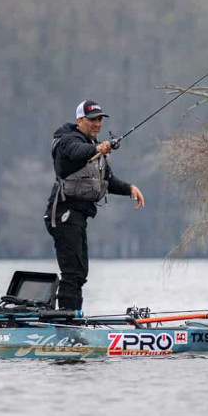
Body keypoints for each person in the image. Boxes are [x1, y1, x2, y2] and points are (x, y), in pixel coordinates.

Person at [44, 99, 145, 312]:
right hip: (63, 214)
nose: (97, 124)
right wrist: (97, 148)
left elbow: (107, 180)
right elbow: (76, 151)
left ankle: (72, 318)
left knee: (80, 273)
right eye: (92, 120)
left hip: (78, 216)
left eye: (100, 119)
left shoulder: (93, 147)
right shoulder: (66, 140)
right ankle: (66, 322)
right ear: (80, 120)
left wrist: (129, 188)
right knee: (72, 273)